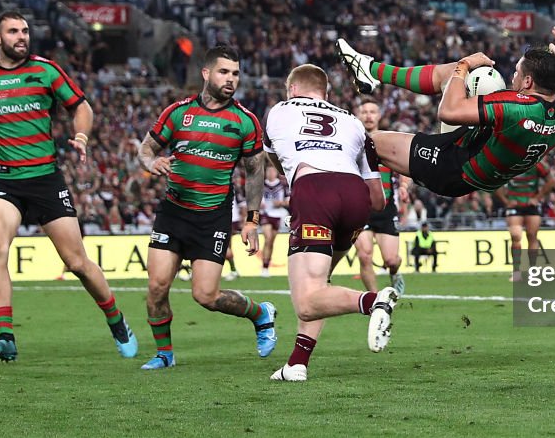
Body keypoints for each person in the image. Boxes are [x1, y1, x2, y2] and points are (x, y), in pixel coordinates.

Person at [0, 10, 137, 362]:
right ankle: (6, 335)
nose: (22, 37)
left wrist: (81, 135)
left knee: (77, 262)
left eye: (25, 31)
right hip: (3, 179)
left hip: (44, 178)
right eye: (13, 32)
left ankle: (116, 320)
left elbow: (81, 107)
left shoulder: (45, 70)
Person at [136, 45, 276, 370]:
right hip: (172, 211)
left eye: (236, 73)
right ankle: (164, 354)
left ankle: (261, 313)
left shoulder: (244, 121)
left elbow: (255, 171)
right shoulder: (177, 113)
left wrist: (251, 220)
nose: (231, 79)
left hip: (212, 215)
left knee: (206, 296)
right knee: (156, 288)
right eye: (224, 72)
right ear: (206, 73)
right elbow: (146, 148)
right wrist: (151, 161)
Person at [336, 27, 555, 198]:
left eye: (517, 73)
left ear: (527, 83)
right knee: (472, 79)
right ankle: (369, 70)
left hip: (453, 167)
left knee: (369, 142)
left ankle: (356, 199)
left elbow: (447, 111)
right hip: (483, 166)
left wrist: (464, 64)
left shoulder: (515, 105)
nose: (512, 77)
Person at [263, 64, 392, 382]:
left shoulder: (279, 110)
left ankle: (374, 300)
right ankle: (296, 364)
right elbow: (378, 200)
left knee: (306, 302)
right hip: (354, 197)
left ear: (292, 89)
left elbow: (276, 160)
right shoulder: (353, 121)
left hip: (315, 191)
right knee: (319, 289)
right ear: (327, 93)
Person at [354, 97, 407, 295]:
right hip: (361, 209)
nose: (368, 115)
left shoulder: (389, 139)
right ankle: (376, 302)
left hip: (385, 208)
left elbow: (404, 167)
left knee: (392, 260)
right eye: (364, 111)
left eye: (372, 112)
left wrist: (403, 186)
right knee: (365, 255)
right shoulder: (352, 140)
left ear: (379, 116)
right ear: (359, 115)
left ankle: (395, 272)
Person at [495, 162, 553, 281]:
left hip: (531, 205)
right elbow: (494, 182)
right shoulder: (506, 161)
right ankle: (516, 271)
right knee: (516, 236)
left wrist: (537, 198)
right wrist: (506, 202)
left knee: (532, 236)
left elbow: (551, 181)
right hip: (514, 205)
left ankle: (533, 271)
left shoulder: (537, 163)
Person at [258, 163, 289, 278]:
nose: (270, 174)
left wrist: (281, 203)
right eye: (268, 171)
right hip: (265, 213)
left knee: (271, 242)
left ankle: (266, 266)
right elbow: (253, 199)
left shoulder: (282, 185)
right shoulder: (261, 185)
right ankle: (264, 267)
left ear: (276, 173)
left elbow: (289, 200)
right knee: (268, 237)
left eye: (272, 171)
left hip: (277, 214)